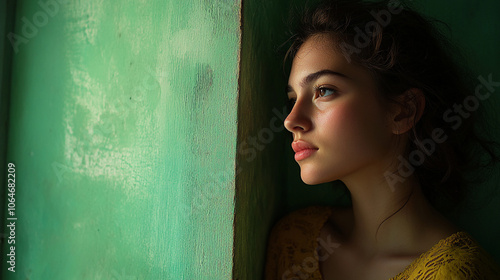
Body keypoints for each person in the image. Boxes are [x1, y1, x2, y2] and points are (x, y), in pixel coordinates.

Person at [264, 0, 500, 279]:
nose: (291, 120)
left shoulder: (457, 273)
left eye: (324, 91)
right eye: (292, 99)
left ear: (403, 111)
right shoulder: (294, 243)